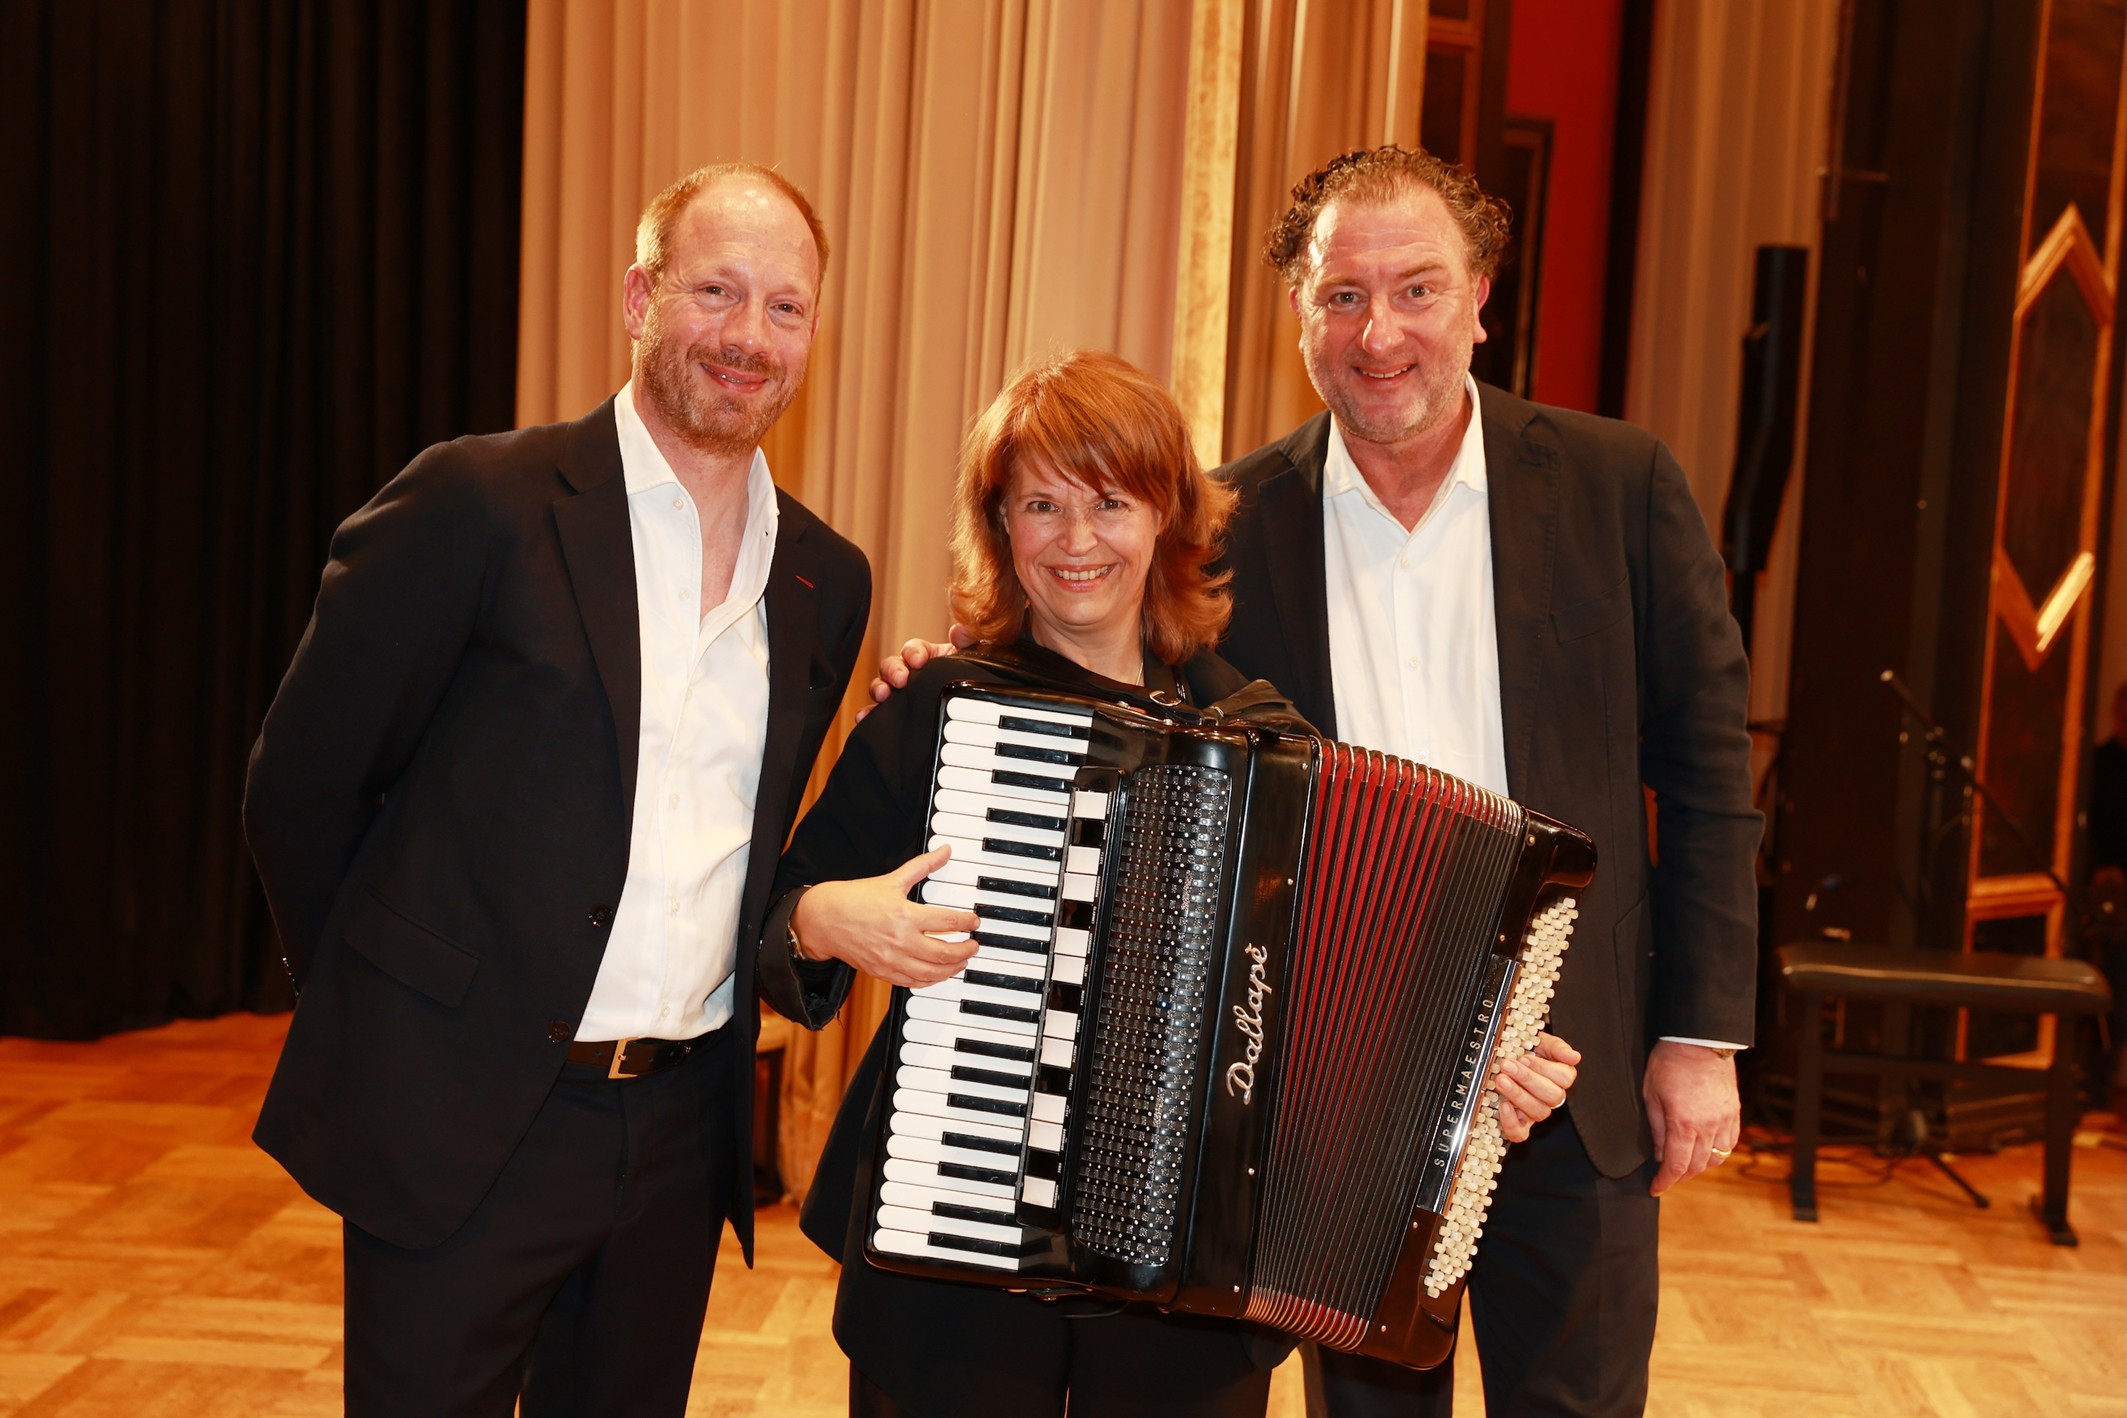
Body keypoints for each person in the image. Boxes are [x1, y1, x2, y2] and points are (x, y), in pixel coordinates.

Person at [874, 146, 1761, 1417]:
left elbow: (1709, 768)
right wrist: (956, 669)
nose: (1379, 331)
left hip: (1578, 1070)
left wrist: (1699, 1036)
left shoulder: (1621, 486)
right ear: (1296, 316)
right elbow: (1121, 698)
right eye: (1342, 294)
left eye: (1416, 289)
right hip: (1338, 1087)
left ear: (1479, 300)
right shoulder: (1231, 521)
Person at [774, 349, 1583, 1418]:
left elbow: (1350, 1015)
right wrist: (829, 916)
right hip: (950, 1255)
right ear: (999, 523)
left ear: (1167, 517)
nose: (1074, 540)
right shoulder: (940, 707)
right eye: (1040, 504)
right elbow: (781, 924)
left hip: (1187, 1301)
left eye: (1110, 501)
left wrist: (1472, 1078)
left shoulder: (1265, 741)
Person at [244, 162, 871, 1417]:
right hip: (466, 1118)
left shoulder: (823, 579)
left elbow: (748, 855)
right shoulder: (476, 502)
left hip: (684, 1133)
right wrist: (399, 1022)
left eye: (785, 308)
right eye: (716, 291)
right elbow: (302, 786)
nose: (749, 338)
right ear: (641, 294)